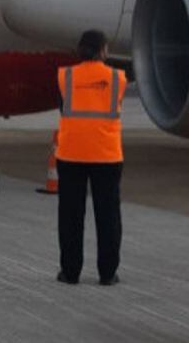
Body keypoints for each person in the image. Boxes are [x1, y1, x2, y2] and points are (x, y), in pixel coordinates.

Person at [55, 29, 127, 286]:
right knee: (108, 216)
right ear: (104, 50)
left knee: (70, 216)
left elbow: (63, 106)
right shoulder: (118, 78)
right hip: (107, 155)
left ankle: (70, 272)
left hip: (71, 153)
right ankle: (107, 273)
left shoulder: (65, 76)